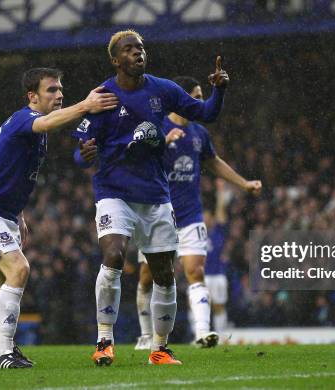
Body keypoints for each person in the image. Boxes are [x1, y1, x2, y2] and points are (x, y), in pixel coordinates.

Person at [73, 30, 229, 366]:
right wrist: (84, 154)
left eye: (140, 48)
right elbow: (80, 149)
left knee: (163, 273)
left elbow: (207, 113)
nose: (137, 54)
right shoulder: (102, 96)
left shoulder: (163, 89)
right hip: (114, 192)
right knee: (113, 256)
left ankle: (160, 348)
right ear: (116, 60)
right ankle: (104, 341)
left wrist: (219, 89)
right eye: (129, 50)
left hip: (156, 195)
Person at [0, 67, 118, 369]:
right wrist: (85, 105)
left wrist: (19, 215)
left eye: (60, 89)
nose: (59, 95)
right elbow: (45, 123)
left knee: (4, 278)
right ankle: (5, 352)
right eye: (51, 90)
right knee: (19, 269)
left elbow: (11, 171)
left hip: (2, 214)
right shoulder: (25, 119)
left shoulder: (34, 131)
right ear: (32, 96)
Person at [132, 77, 261, 350]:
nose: (200, 102)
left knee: (195, 271)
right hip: (157, 214)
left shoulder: (200, 134)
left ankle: (203, 332)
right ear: (182, 99)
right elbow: (137, 163)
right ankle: (145, 334)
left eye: (202, 96)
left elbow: (214, 163)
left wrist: (244, 183)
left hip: (190, 215)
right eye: (196, 96)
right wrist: (163, 143)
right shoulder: (157, 127)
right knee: (147, 277)